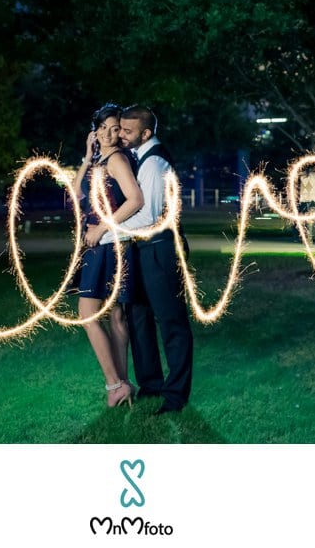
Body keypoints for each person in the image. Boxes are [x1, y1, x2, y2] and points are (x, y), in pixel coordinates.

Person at [115, 105, 193, 415]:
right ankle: (151, 383)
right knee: (138, 316)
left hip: (160, 247)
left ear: (146, 133)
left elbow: (149, 216)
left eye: (128, 130)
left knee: (171, 321)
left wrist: (106, 233)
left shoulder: (155, 162)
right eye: (120, 128)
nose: (121, 134)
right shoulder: (136, 158)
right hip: (140, 249)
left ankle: (175, 396)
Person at [72, 103, 143, 407]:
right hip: (104, 244)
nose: (112, 134)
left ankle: (115, 383)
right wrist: (87, 158)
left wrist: (101, 228)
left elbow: (135, 199)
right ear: (96, 129)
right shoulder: (99, 159)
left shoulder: (116, 160)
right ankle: (123, 383)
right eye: (106, 128)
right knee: (114, 315)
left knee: (88, 314)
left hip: (108, 244)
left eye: (117, 128)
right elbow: (75, 193)